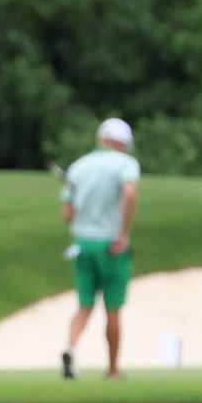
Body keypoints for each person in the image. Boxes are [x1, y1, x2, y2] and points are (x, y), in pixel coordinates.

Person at [59, 117, 141, 380]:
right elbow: (129, 193)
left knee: (84, 306)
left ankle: (70, 347)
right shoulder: (126, 164)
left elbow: (68, 213)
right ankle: (113, 369)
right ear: (123, 143)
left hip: (82, 244)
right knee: (113, 308)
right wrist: (123, 233)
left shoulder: (77, 167)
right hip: (111, 245)